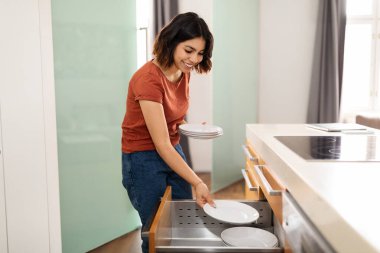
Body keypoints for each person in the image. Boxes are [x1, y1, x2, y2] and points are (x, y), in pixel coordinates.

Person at [121, 12, 215, 253]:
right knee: (155, 231)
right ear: (172, 41)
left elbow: (169, 117)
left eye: (200, 53)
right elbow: (160, 143)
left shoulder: (183, 71)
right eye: (189, 50)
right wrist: (198, 181)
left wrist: (187, 126)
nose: (194, 59)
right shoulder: (147, 80)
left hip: (170, 148)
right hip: (142, 157)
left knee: (181, 217)